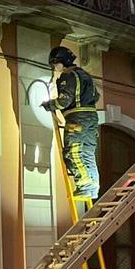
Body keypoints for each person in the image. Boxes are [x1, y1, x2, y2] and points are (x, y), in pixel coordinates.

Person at [42, 46, 100, 201]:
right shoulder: (86, 75)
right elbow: (97, 96)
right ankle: (93, 188)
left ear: (60, 61)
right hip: (92, 118)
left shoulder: (68, 76)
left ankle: (84, 185)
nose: (55, 68)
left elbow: (64, 100)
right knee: (87, 152)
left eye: (55, 64)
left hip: (77, 118)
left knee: (73, 152)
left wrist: (50, 105)